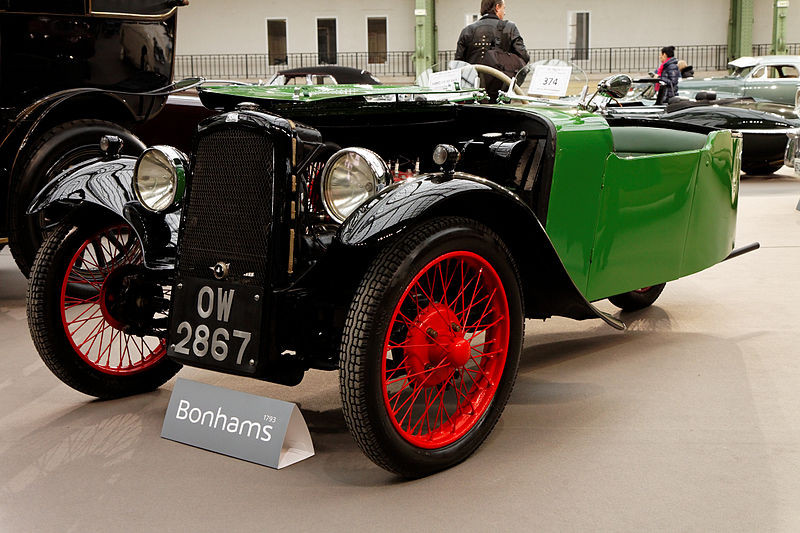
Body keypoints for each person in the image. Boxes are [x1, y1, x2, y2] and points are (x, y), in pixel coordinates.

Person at [455, 0, 529, 100]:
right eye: (504, 8)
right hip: (500, 93)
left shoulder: (467, 30)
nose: (505, 12)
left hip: (472, 93)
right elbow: (524, 56)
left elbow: (458, 63)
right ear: (497, 7)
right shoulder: (509, 27)